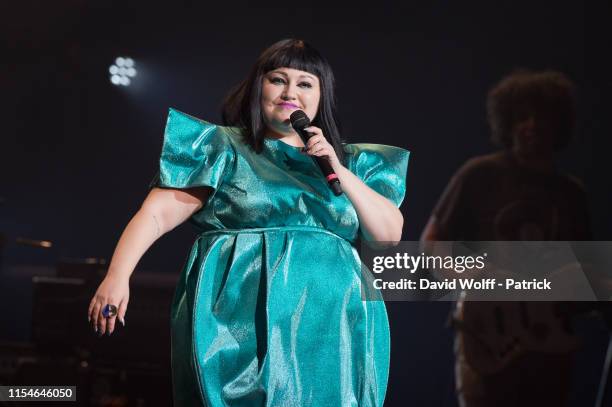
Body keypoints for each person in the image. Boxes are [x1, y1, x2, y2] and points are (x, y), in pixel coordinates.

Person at [87, 39, 410, 406]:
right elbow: (157, 214)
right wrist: (118, 274)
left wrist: (338, 169)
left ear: (322, 97)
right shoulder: (224, 148)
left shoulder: (352, 163)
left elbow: (387, 236)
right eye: (278, 80)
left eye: (305, 83)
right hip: (241, 316)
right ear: (259, 86)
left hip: (332, 324)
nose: (291, 92)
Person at [421, 70, 591, 406]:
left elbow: (585, 275)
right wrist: (477, 279)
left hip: (550, 345)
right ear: (507, 121)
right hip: (487, 336)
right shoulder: (480, 174)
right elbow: (431, 244)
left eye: (541, 118)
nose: (531, 125)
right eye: (522, 116)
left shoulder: (572, 194)